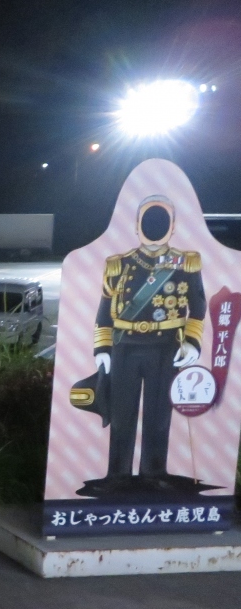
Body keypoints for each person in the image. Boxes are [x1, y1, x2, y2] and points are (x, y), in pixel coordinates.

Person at [92, 196, 204, 484]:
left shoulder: (185, 264)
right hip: (125, 347)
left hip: (166, 347)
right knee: (121, 414)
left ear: (173, 226)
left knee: (159, 415)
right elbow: (105, 311)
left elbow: (198, 307)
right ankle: (118, 474)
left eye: (162, 220)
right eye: (149, 220)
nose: (155, 227)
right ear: (137, 224)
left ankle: (153, 473)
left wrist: (192, 342)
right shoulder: (119, 265)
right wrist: (103, 347)